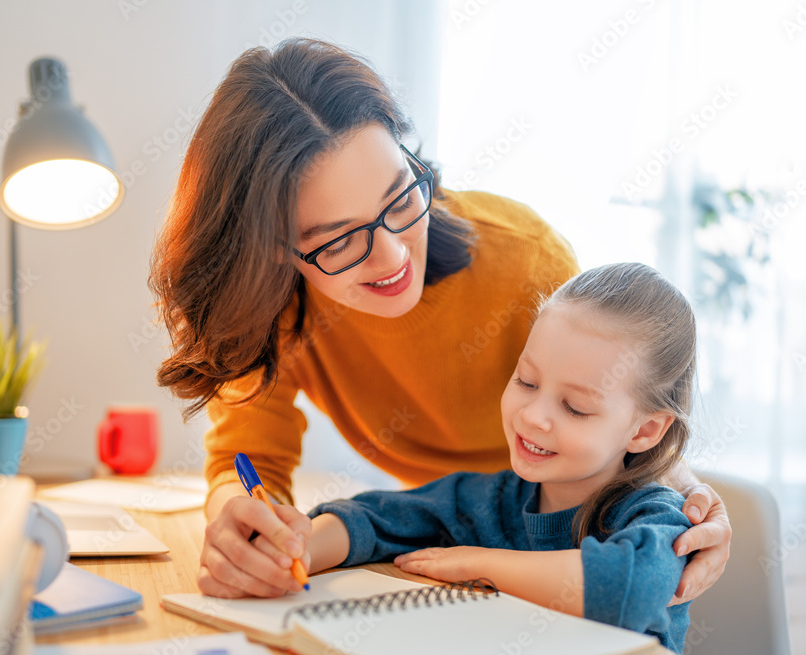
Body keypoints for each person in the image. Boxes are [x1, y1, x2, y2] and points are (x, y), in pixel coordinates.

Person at [148, 37, 732, 604]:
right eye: (341, 241)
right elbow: (251, 462)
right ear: (274, 250)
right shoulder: (274, 309)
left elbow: (617, 402)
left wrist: (692, 491)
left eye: (401, 198)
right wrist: (252, 530)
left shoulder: (525, 260)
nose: (394, 256)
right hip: (453, 543)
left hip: (558, 556)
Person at [286, 262, 697, 652]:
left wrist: (478, 563)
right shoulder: (488, 499)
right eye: (526, 381)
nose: (533, 416)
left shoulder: (660, 519)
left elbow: (629, 589)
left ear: (644, 431)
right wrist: (298, 549)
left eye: (574, 408)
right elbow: (375, 518)